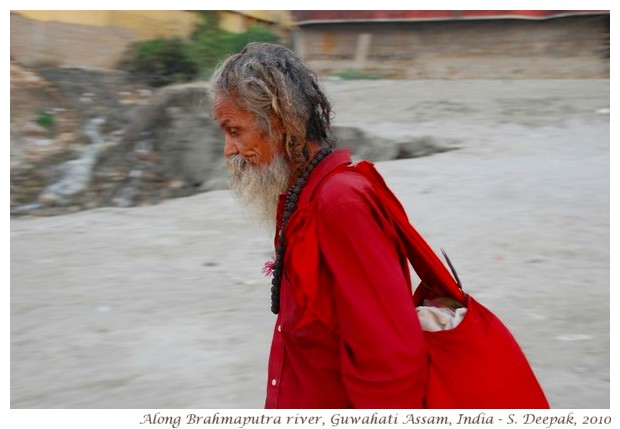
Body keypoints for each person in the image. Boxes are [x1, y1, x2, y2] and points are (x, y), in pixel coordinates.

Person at [208, 42, 428, 409]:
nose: (228, 149)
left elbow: (392, 359)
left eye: (235, 130)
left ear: (279, 122)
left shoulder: (341, 204)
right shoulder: (302, 196)